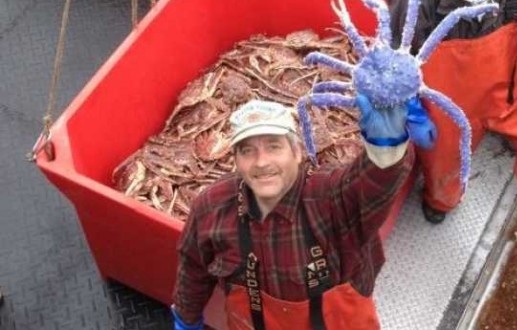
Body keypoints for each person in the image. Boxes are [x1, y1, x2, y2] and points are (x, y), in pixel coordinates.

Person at [171, 97, 435, 329]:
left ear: (297, 152)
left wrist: (386, 147)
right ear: (235, 161)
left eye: (274, 146)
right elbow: (193, 271)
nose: (262, 162)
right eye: (247, 151)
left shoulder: (331, 196)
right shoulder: (211, 207)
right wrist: (186, 319)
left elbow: (375, 181)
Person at [389, 0, 517, 264]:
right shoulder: (414, 6)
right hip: (451, 93)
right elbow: (394, 58)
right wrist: (413, 110)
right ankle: (440, 200)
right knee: (443, 160)